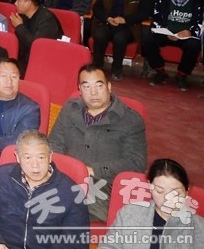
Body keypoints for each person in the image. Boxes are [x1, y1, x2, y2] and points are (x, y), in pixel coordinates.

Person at [50, 65, 147, 221]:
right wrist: (65, 169)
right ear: (80, 90)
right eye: (86, 86)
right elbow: (54, 144)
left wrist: (92, 170)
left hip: (104, 186)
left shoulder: (130, 120)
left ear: (109, 87)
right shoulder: (69, 109)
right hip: (66, 176)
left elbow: (135, 163)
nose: (93, 92)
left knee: (57, 203)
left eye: (99, 85)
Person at [0, 130, 90, 249]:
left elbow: (76, 241)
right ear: (17, 157)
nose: (35, 165)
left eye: (41, 158)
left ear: (50, 157)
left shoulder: (71, 192)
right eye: (27, 158)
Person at [100, 158, 204, 249]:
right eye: (160, 191)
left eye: (176, 193)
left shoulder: (199, 228)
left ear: (186, 191)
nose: (167, 199)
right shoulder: (129, 214)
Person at [144, 0, 203, 91]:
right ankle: (160, 71)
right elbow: (156, 17)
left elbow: (200, 22)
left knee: (194, 45)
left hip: (185, 35)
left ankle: (182, 75)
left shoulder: (198, 1)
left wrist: (190, 31)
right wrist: (165, 32)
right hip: (166, 33)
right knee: (148, 39)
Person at [91, 0, 149, 80]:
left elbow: (144, 14)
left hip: (128, 27)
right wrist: (107, 18)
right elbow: (96, 8)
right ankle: (97, 65)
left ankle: (117, 69)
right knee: (99, 35)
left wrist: (125, 20)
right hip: (109, 23)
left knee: (120, 38)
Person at [10, 0, 64, 74]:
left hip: (46, 62)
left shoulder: (47, 20)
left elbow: (37, 47)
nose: (15, 3)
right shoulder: (24, 16)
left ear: (29, 3)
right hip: (26, 58)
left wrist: (19, 27)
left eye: (18, 0)